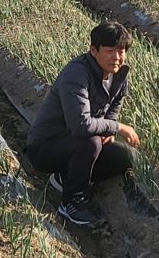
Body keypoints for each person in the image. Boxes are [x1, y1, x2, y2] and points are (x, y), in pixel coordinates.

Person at [26, 21, 140, 226]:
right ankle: (72, 201)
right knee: (90, 142)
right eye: (110, 51)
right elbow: (80, 125)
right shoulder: (77, 74)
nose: (117, 57)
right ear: (93, 50)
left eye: (121, 51)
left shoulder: (120, 74)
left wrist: (110, 127)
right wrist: (118, 127)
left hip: (77, 142)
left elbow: (114, 107)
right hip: (45, 148)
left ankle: (65, 177)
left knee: (126, 157)